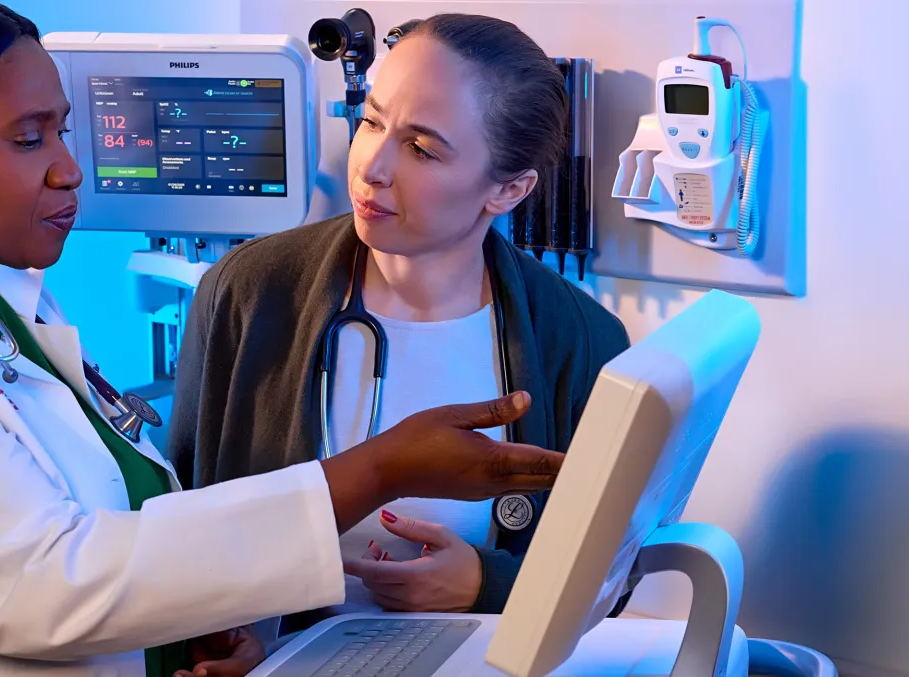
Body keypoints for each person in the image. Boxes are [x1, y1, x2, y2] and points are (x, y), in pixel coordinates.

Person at [0, 3, 570, 677]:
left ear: (510, 186)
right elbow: (43, 586)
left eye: (63, 129)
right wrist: (375, 471)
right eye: (28, 137)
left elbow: (133, 518)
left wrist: (208, 631)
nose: (68, 168)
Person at [169, 13, 633, 638]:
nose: (372, 166)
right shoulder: (249, 293)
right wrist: (229, 636)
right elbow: (175, 529)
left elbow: (610, 578)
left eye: (421, 148)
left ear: (510, 189)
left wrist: (483, 584)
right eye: (370, 122)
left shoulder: (580, 341)